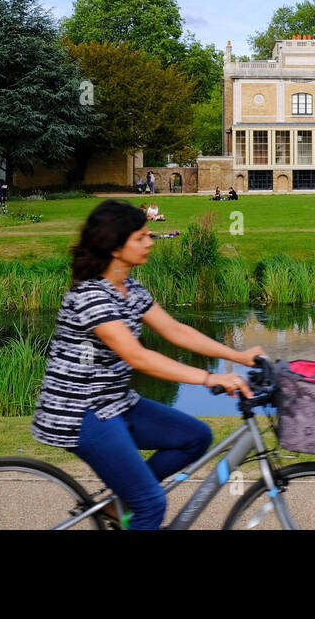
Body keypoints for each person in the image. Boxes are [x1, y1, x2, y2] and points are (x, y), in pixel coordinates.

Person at [29, 200, 264, 530]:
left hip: (115, 402)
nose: (150, 242)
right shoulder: (91, 296)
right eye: (141, 237)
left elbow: (174, 330)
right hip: (80, 412)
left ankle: (120, 502)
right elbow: (137, 357)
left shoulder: (130, 289)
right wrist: (210, 378)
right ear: (115, 246)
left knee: (195, 437)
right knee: (152, 503)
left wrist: (238, 356)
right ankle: (135, 502)